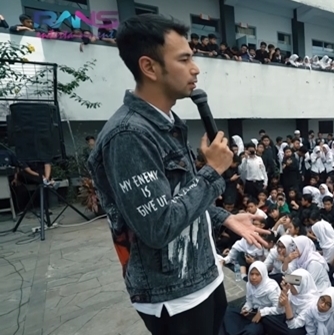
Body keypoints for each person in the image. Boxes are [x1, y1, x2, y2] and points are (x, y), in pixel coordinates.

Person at [87, 14, 267, 335]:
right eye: (184, 59)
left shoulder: (168, 123)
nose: (195, 68)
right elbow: (157, 226)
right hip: (172, 294)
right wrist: (212, 171)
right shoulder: (129, 135)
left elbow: (178, 196)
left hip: (202, 274)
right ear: (150, 67)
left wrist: (224, 217)